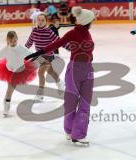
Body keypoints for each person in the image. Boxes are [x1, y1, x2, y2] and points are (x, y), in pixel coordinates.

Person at [25, 6, 95, 146]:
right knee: (71, 102)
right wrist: (38, 53)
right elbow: (56, 43)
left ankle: (77, 133)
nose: (93, 22)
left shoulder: (86, 32)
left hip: (88, 69)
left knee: (85, 103)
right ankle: (71, 131)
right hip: (75, 69)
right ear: (87, 21)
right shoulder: (73, 33)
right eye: (92, 20)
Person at [25, 13, 64, 102]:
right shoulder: (34, 31)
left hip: (48, 55)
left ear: (46, 21)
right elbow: (29, 43)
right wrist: (22, 51)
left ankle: (40, 94)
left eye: (43, 20)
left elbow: (59, 41)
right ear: (36, 21)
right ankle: (59, 82)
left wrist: (69, 45)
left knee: (41, 72)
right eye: (39, 20)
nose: (41, 22)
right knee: (50, 71)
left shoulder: (49, 32)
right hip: (39, 56)